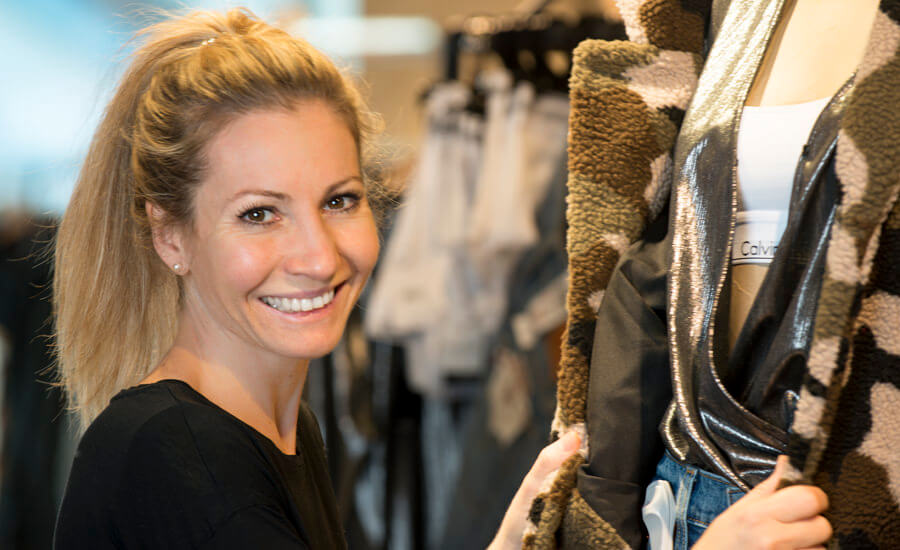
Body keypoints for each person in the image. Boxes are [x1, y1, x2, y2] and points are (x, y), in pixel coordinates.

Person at [51, 9, 581, 549]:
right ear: (170, 236)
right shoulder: (180, 456)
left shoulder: (276, 430)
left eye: (339, 201)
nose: (321, 259)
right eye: (259, 214)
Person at [525, 0, 899, 548]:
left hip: (832, 511)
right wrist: (601, 497)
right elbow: (659, 261)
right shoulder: (711, 13)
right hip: (672, 499)